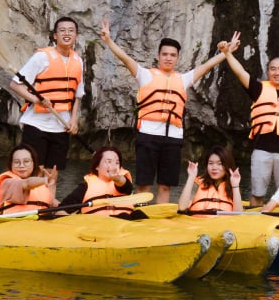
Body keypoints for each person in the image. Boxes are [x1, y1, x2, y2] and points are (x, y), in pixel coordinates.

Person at [98, 18, 236, 205]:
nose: (168, 58)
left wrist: (226, 53)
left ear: (177, 58)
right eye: (165, 54)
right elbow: (125, 58)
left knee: (165, 185)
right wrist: (108, 41)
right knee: (144, 183)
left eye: (172, 55)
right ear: (158, 56)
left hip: (173, 137)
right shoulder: (145, 75)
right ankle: (139, 212)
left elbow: (206, 67)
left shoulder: (183, 79)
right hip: (148, 135)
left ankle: (161, 217)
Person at [221, 33, 279, 206]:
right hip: (261, 149)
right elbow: (240, 72)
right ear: (268, 72)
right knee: (257, 193)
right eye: (273, 69)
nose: (277, 72)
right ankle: (255, 217)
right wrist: (228, 53)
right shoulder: (258, 89)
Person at [7, 16, 85, 190]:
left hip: (61, 125)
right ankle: (29, 202)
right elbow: (15, 84)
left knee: (52, 174)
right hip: (36, 124)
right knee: (35, 171)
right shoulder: (41, 57)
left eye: (71, 31)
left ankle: (48, 203)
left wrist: (74, 120)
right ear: (55, 35)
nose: (67, 34)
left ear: (76, 36)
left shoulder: (78, 61)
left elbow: (77, 95)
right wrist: (36, 100)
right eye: (62, 30)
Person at [57, 147, 139, 217]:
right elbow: (61, 210)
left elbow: (126, 187)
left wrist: (117, 178)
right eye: (109, 162)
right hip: (99, 225)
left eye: (117, 163)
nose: (113, 166)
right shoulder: (85, 187)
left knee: (138, 214)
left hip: (127, 223)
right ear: (97, 166)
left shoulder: (123, 182)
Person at [0, 145, 57, 215]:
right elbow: (26, 184)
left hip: (41, 220)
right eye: (16, 162)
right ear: (11, 164)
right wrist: (44, 180)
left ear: (33, 163)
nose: (21, 165)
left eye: (26, 161)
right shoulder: (7, 182)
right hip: (15, 221)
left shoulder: (41, 186)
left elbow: (53, 204)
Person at [179, 147, 244, 216]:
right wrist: (191, 177)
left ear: (227, 166)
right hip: (198, 221)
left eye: (219, 164)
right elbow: (182, 207)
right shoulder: (198, 183)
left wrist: (235, 185)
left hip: (223, 222)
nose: (214, 168)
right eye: (210, 163)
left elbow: (238, 214)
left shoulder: (232, 186)